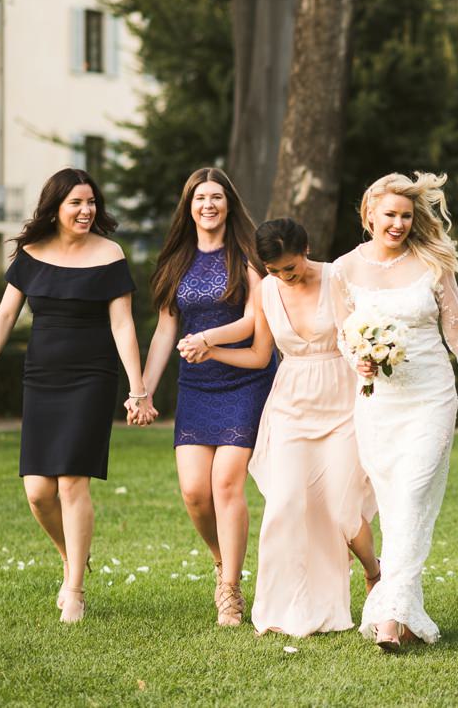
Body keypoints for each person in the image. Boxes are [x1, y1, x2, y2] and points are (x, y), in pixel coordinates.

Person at [0, 168, 148, 623]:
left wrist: (138, 388)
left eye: (91, 202)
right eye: (76, 203)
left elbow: (122, 324)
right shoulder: (31, 254)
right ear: (55, 208)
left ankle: (76, 590)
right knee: (37, 492)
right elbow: (4, 316)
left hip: (92, 377)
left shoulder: (109, 254)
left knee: (71, 482)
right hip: (42, 378)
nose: (86, 211)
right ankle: (72, 558)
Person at [186, 219, 380, 636]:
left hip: (342, 404)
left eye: (290, 268)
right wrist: (212, 349)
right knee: (285, 505)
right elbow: (259, 355)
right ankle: (281, 609)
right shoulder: (267, 290)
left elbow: (357, 339)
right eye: (274, 271)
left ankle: (373, 571)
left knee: (341, 509)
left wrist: (366, 364)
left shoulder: (336, 277)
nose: (284, 277)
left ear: (306, 249)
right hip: (291, 406)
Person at [332, 172, 458, 650]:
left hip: (431, 396)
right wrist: (358, 359)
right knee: (396, 505)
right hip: (378, 402)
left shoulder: (431, 263)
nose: (398, 224)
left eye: (406, 216)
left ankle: (387, 616)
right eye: (390, 214)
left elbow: (457, 327)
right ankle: (406, 612)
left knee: (411, 493)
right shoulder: (343, 269)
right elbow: (343, 333)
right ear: (369, 214)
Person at [138, 167, 275, 626]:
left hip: (245, 380)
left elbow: (253, 322)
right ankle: (222, 561)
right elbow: (165, 331)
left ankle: (231, 591)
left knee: (226, 483)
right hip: (196, 385)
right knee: (195, 492)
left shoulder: (248, 258)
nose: (208, 205)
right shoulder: (176, 261)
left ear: (229, 204)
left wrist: (208, 339)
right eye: (200, 198)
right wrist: (143, 390)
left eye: (216, 197)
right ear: (189, 207)